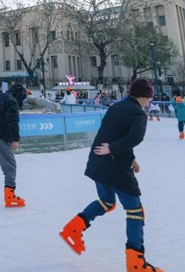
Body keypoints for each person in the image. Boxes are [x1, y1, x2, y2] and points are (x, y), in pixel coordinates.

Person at [59, 78, 164, 272]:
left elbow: (112, 132)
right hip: (114, 166)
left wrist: (129, 157)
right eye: (149, 98)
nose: (149, 102)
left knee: (107, 201)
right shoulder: (138, 113)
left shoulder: (116, 107)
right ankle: (136, 263)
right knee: (135, 211)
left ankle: (73, 228)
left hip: (98, 161)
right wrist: (114, 149)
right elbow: (135, 137)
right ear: (144, 96)